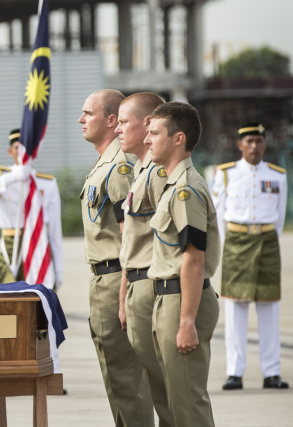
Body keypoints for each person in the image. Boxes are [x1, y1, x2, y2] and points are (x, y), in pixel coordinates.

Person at [78, 89, 154, 425]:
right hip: (101, 281)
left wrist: (123, 298)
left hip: (115, 282)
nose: (81, 120)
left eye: (88, 113)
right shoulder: (105, 161)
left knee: (127, 384)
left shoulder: (120, 166)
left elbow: (132, 240)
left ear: (111, 120)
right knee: (115, 382)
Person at [145, 102, 220, 427]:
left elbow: (193, 258)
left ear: (178, 139)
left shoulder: (186, 190)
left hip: (182, 301)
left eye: (154, 133)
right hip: (168, 299)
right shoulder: (172, 185)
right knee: (176, 404)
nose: (147, 139)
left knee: (188, 406)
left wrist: (187, 320)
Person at [211, 123, 289, 390]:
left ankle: (272, 372)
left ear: (264, 144)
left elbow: (280, 217)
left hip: (267, 240)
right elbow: (218, 215)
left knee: (269, 308)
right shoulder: (225, 174)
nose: (254, 146)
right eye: (249, 142)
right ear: (240, 145)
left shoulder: (278, 175)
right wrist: (224, 245)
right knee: (235, 309)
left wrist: (268, 238)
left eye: (258, 141)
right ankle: (235, 372)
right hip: (236, 241)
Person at [116, 92, 173, 426]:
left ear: (148, 123)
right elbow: (131, 243)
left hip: (155, 288)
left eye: (124, 122)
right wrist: (125, 294)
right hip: (139, 286)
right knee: (156, 386)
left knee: (170, 391)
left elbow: (171, 241)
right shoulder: (140, 170)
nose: (118, 129)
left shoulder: (159, 173)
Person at [0, 128, 63, 288]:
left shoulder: (47, 182)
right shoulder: (0, 175)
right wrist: (13, 177)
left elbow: (55, 229)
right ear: (10, 151)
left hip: (38, 241)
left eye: (26, 148)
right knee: (9, 297)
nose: (22, 152)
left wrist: (58, 270)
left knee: (39, 298)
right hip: (11, 243)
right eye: (17, 148)